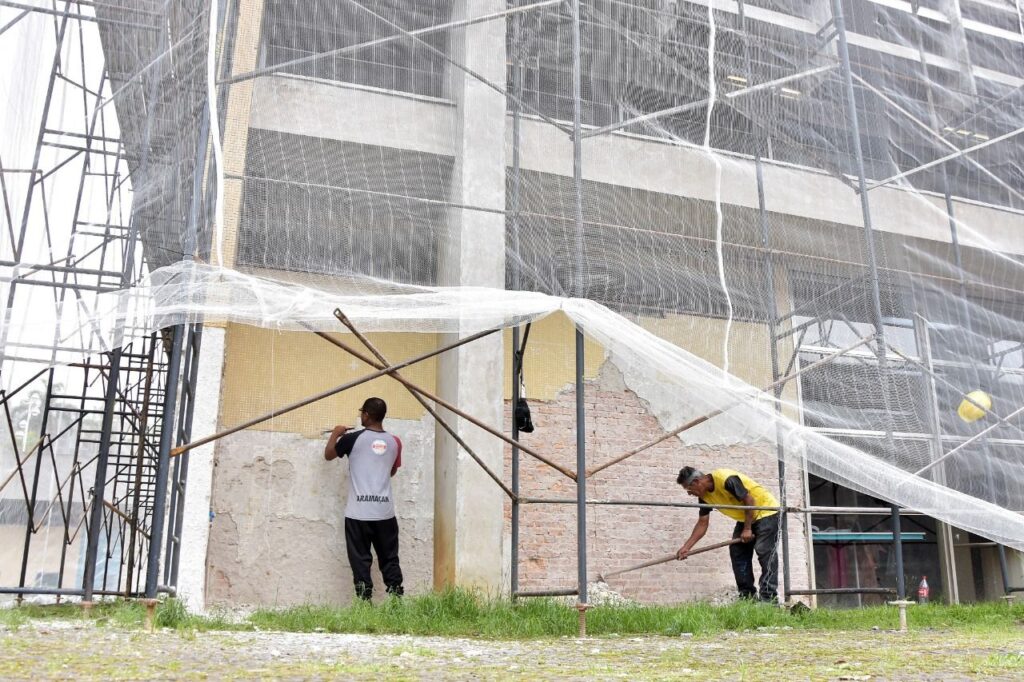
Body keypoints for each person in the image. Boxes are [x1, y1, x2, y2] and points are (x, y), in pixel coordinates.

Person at [324, 397, 404, 600]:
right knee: (389, 559)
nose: (361, 415)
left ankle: (364, 604)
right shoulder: (395, 442)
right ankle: (396, 601)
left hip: (358, 514)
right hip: (385, 513)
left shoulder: (352, 439)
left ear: (367, 415)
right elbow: (391, 471)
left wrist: (335, 434)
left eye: (362, 412)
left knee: (360, 561)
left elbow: (329, 454)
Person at [676, 466, 779, 602]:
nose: (690, 494)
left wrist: (747, 529)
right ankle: (747, 597)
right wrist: (686, 547)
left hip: (765, 510)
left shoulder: (726, 479)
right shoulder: (704, 496)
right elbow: (702, 523)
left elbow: (749, 501)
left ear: (696, 482)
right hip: (747, 515)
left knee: (764, 551)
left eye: (689, 490)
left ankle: (769, 599)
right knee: (738, 551)